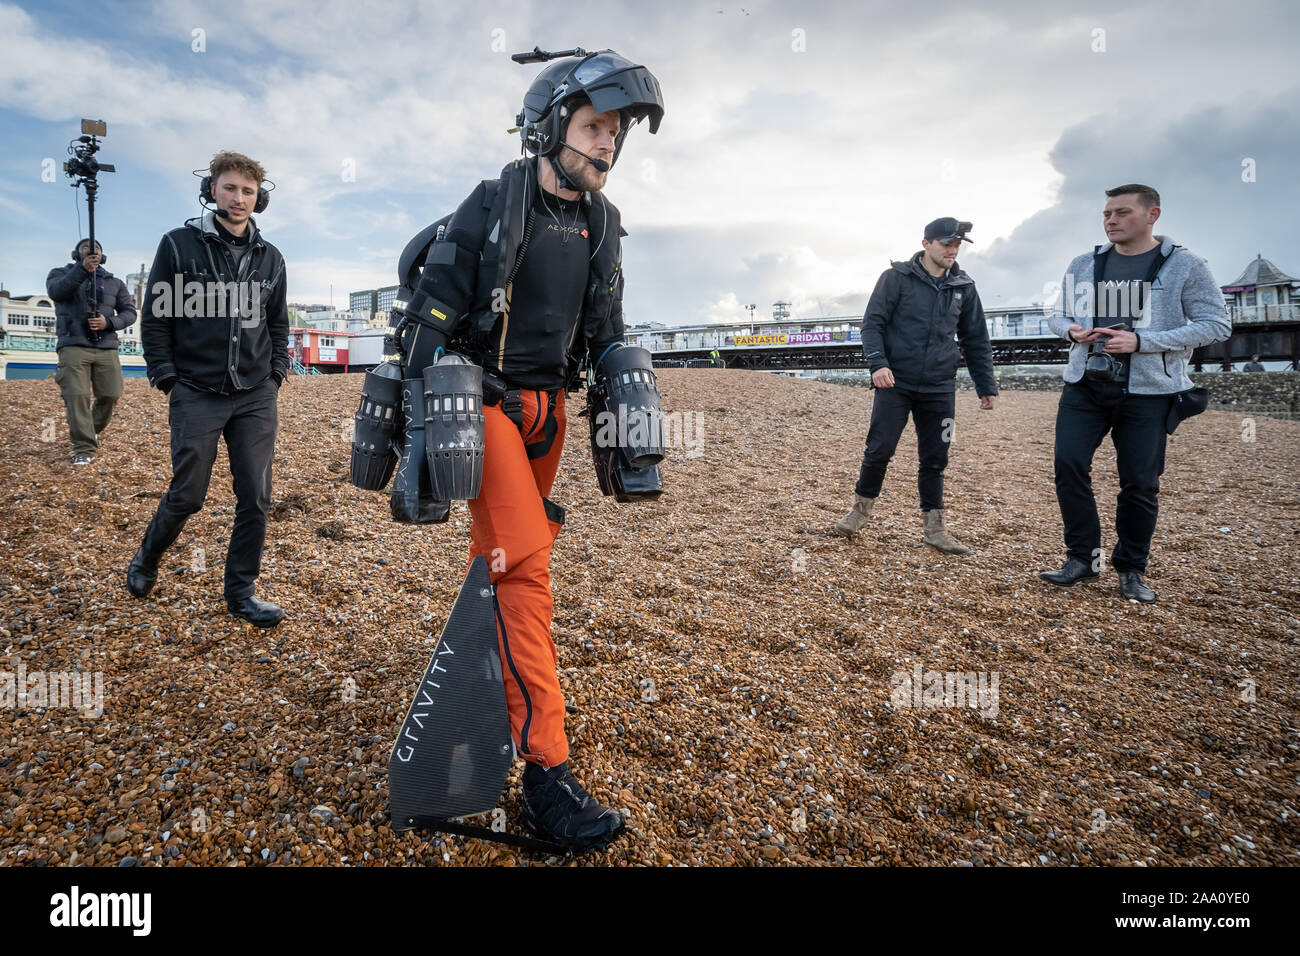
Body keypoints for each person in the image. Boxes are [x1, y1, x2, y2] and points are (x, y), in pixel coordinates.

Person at [393, 49, 663, 851]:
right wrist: (425, 426)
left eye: (614, 134)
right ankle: (547, 770)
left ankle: (478, 691)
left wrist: (630, 402)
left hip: (554, 411)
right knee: (526, 566)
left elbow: (609, 331)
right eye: (592, 129)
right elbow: (430, 319)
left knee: (504, 559)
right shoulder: (489, 203)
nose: (606, 146)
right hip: (488, 409)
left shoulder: (604, 222)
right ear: (549, 127)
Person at [1041, 184, 1230, 603]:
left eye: (1122, 212)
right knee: (1068, 465)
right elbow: (1056, 315)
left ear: (1152, 215)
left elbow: (1217, 325)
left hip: (1149, 392)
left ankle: (1131, 569)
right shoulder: (1082, 263)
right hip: (1084, 384)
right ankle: (1082, 558)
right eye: (1107, 213)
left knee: (1140, 484)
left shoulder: (1186, 265)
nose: (1111, 220)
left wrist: (1142, 341)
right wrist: (1071, 330)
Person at [130, 151, 290, 628]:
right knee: (188, 493)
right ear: (211, 190)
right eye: (230, 188)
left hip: (256, 391)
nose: (239, 198)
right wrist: (166, 377)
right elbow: (156, 317)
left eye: (248, 190)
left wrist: (277, 373)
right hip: (196, 390)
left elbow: (277, 323)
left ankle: (241, 593)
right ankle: (147, 558)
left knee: (256, 497)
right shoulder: (178, 245)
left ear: (258, 198)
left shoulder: (272, 257)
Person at [835, 217, 998, 553]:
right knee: (879, 450)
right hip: (895, 382)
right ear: (927, 244)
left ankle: (935, 529)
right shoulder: (896, 278)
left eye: (956, 245)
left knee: (936, 456)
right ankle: (859, 512)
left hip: (940, 387)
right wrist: (878, 364)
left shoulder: (964, 287)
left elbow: (975, 339)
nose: (952, 250)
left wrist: (986, 385)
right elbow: (872, 325)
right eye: (946, 243)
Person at [46, 239, 136, 465]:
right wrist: (81, 269)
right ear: (76, 254)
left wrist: (110, 322)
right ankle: (84, 448)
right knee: (76, 396)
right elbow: (57, 292)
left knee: (111, 394)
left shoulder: (114, 282)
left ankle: (89, 429)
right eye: (85, 247)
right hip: (73, 344)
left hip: (105, 346)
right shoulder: (61, 274)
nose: (91, 249)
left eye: (95, 247)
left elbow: (130, 312)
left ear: (103, 256)